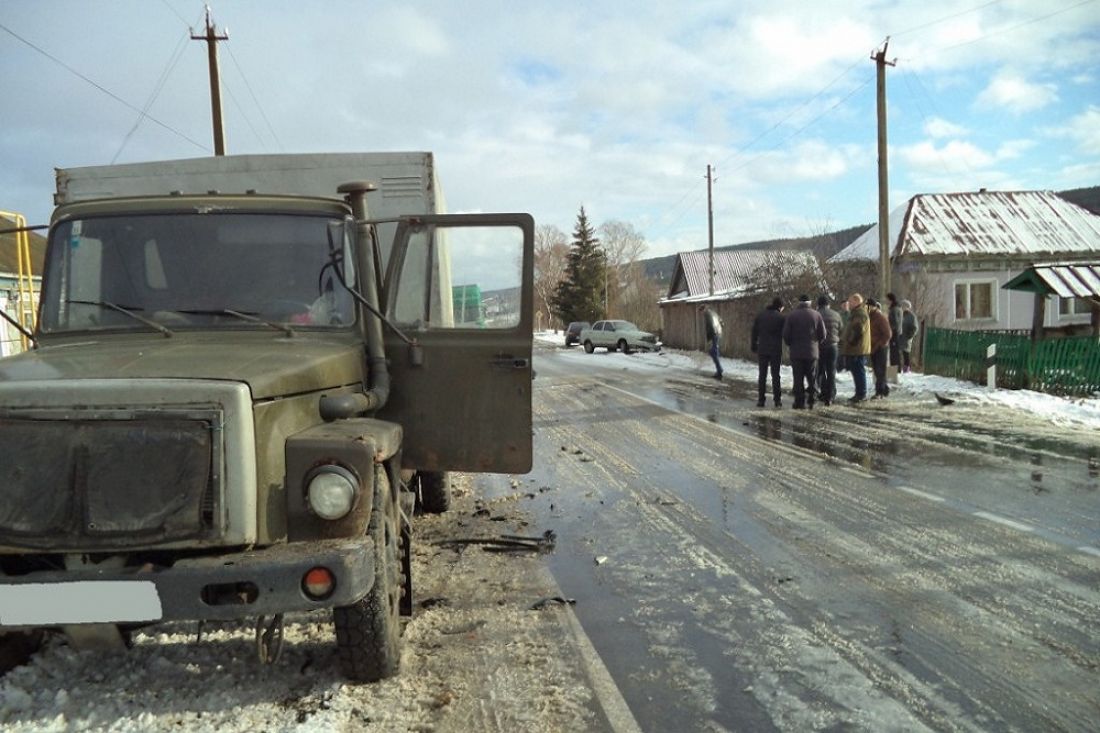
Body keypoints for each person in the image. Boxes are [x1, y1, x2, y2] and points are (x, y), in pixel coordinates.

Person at [782, 295, 827, 409]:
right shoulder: (816, 315)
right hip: (812, 352)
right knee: (812, 376)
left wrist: (790, 344)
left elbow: (786, 334)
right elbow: (823, 334)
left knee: (798, 377)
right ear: (810, 302)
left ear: (799, 302)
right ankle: (812, 398)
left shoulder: (792, 315)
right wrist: (816, 343)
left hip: (796, 352)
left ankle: (799, 401)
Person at [751, 297, 786, 407]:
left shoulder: (761, 316)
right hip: (776, 350)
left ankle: (761, 400)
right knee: (776, 375)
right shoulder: (781, 317)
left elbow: (754, 331)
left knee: (762, 375)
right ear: (780, 307)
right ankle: (777, 400)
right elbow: (785, 333)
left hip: (762, 349)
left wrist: (753, 344)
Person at [839, 293, 871, 403]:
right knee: (856, 371)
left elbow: (858, 330)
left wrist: (851, 342)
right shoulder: (856, 313)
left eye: (851, 301)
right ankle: (859, 392)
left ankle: (861, 393)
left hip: (857, 348)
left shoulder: (859, 313)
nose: (849, 303)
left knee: (859, 371)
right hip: (855, 348)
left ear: (857, 301)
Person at [815, 295, 842, 406]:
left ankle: (823, 392)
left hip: (820, 347)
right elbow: (841, 328)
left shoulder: (816, 315)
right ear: (828, 304)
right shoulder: (836, 314)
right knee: (831, 371)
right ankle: (830, 396)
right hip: (833, 346)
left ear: (818, 305)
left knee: (820, 371)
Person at [867, 297, 893, 399]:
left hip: (880, 348)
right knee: (877, 371)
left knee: (880, 371)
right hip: (873, 347)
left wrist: (880, 344)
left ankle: (880, 392)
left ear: (873, 307)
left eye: (868, 306)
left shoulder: (880, 317)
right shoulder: (871, 317)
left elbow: (888, 334)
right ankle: (884, 389)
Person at [698, 304, 723, 380]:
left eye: (701, 312)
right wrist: (719, 330)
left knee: (713, 352)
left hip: (714, 335)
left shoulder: (707, 314)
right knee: (714, 352)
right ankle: (719, 369)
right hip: (718, 334)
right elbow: (722, 322)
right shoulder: (713, 313)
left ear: (703, 310)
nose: (701, 314)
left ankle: (719, 370)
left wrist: (711, 337)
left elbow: (710, 325)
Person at [899, 299, 919, 373]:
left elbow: (915, 328)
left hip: (906, 338)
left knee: (906, 354)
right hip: (899, 337)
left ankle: (906, 369)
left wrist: (910, 335)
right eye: (902, 306)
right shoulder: (900, 314)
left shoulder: (912, 316)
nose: (902, 308)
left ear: (908, 307)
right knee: (897, 354)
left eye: (904, 306)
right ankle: (898, 368)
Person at [887, 292, 903, 368]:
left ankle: (895, 368)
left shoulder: (894, 309)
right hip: (896, 332)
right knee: (895, 351)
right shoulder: (898, 308)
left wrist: (891, 329)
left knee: (894, 352)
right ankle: (895, 367)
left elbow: (896, 322)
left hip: (894, 332)